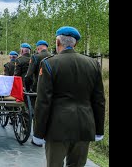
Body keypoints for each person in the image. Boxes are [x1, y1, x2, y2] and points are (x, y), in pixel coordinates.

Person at [32, 26, 105, 167]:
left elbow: (43, 102)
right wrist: (99, 129)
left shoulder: (49, 63)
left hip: (57, 127)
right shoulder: (93, 64)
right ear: (75, 43)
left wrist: (38, 133)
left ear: (57, 42)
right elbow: (99, 100)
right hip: (84, 126)